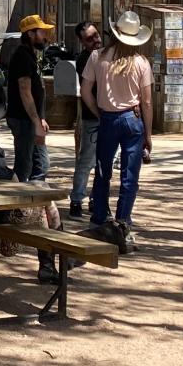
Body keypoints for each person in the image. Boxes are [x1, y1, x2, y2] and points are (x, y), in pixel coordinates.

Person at [84, 11, 152, 254]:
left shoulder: (97, 57)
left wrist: (99, 112)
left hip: (108, 118)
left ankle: (100, 218)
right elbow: (147, 102)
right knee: (129, 175)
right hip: (132, 118)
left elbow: (85, 91)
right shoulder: (141, 62)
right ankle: (122, 223)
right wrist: (148, 134)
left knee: (103, 170)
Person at [5, 14, 54, 182]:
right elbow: (25, 92)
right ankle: (19, 196)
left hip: (30, 120)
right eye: (42, 32)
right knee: (27, 165)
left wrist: (41, 118)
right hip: (23, 120)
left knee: (38, 164)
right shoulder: (22, 56)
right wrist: (36, 122)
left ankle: (33, 195)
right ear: (31, 34)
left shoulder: (31, 55)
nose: (45, 36)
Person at [67, 19, 103, 218]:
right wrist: (98, 113)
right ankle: (76, 199)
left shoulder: (102, 54)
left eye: (96, 35)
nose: (96, 40)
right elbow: (87, 90)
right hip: (93, 117)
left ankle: (96, 199)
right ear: (82, 42)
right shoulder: (85, 60)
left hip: (107, 116)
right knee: (86, 160)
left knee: (103, 163)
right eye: (90, 39)